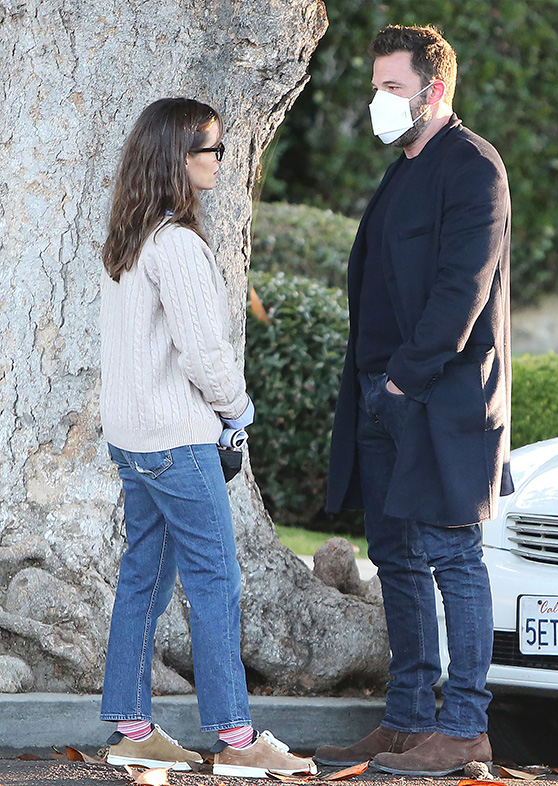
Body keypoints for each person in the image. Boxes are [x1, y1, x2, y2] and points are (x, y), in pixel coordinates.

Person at [314, 25, 513, 776]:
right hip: (380, 396)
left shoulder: (473, 168)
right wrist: (378, 388)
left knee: (453, 558)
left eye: (391, 87)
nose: (378, 101)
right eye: (376, 86)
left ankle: (464, 729)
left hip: (438, 398)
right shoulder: (403, 168)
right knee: (394, 560)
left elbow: (461, 291)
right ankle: (405, 722)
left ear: (433, 90)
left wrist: (402, 382)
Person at [99, 97, 316, 778]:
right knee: (216, 581)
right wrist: (237, 408)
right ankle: (238, 739)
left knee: (143, 580)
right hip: (179, 441)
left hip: (133, 443)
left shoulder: (128, 242)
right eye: (210, 150)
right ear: (177, 158)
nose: (219, 161)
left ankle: (133, 727)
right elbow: (203, 355)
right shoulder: (180, 245)